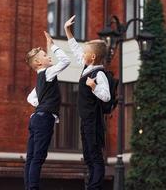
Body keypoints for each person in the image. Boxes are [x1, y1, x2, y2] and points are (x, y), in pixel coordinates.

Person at [64, 15, 110, 190]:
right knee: (89, 156)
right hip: (85, 121)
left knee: (96, 157)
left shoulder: (99, 74)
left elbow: (106, 96)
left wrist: (94, 87)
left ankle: (94, 187)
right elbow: (76, 50)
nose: (81, 55)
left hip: (93, 122)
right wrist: (68, 31)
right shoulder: (87, 68)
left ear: (92, 57)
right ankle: (92, 185)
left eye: (85, 53)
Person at [24, 31, 70, 190]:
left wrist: (41, 106)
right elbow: (66, 61)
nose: (49, 56)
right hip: (44, 119)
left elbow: (30, 98)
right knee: (38, 158)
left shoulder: (40, 79)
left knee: (31, 157)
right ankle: (33, 188)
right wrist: (53, 45)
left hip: (36, 118)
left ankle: (29, 187)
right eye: (45, 55)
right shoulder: (48, 73)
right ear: (38, 62)